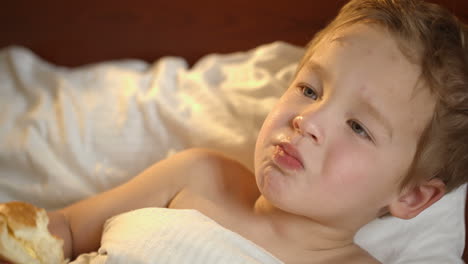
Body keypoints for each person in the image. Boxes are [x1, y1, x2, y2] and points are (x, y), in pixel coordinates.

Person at [3, 0, 468, 263]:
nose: (309, 120)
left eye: (357, 126)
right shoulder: (200, 176)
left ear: (411, 196)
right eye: (309, 89)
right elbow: (58, 229)